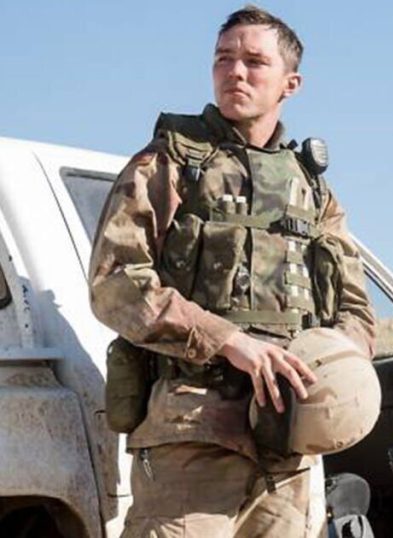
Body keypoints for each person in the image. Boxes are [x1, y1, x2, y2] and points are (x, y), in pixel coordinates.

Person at [88, 6, 375, 536]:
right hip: (191, 435)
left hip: (288, 447)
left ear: (290, 83)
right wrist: (228, 341)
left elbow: (355, 310)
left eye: (254, 62)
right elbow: (116, 283)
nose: (235, 72)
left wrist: (330, 370)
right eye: (223, 59)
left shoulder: (312, 190)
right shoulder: (169, 162)